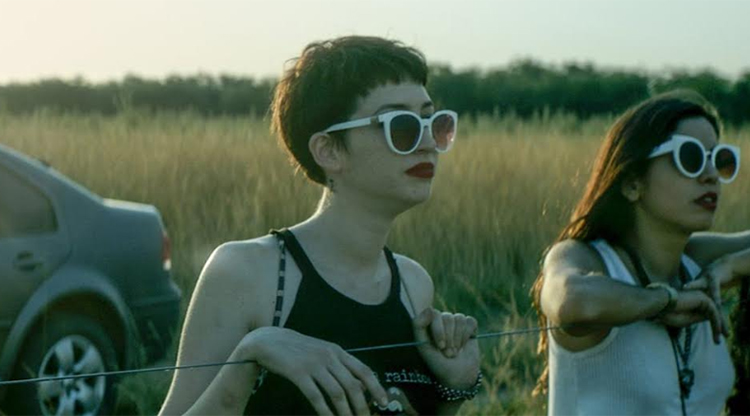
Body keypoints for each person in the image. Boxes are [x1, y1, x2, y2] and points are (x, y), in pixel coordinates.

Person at [158, 36, 482, 416]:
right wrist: (253, 353)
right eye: (402, 126)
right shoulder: (248, 274)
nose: (427, 142)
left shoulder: (413, 285)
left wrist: (454, 390)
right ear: (328, 150)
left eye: (434, 123)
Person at [531, 90, 749, 415]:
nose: (711, 175)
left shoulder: (697, 262)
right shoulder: (587, 258)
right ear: (632, 183)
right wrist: (664, 300)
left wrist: (731, 266)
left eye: (719, 160)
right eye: (690, 157)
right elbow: (569, 301)